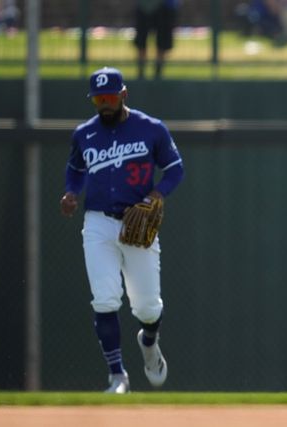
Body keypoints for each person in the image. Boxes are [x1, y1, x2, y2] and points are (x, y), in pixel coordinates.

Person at [59, 67, 184, 393]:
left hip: (136, 220)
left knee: (148, 308)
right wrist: (71, 193)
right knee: (104, 299)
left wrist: (157, 194)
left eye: (110, 98)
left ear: (123, 95)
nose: (104, 104)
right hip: (98, 222)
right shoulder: (84, 134)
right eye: (98, 99)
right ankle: (117, 375)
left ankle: (149, 341)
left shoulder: (151, 128)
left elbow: (175, 169)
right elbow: (75, 170)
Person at [134, 0, 180, 79]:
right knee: (141, 41)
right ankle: (141, 73)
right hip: (144, 7)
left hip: (166, 7)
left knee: (162, 42)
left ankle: (158, 73)